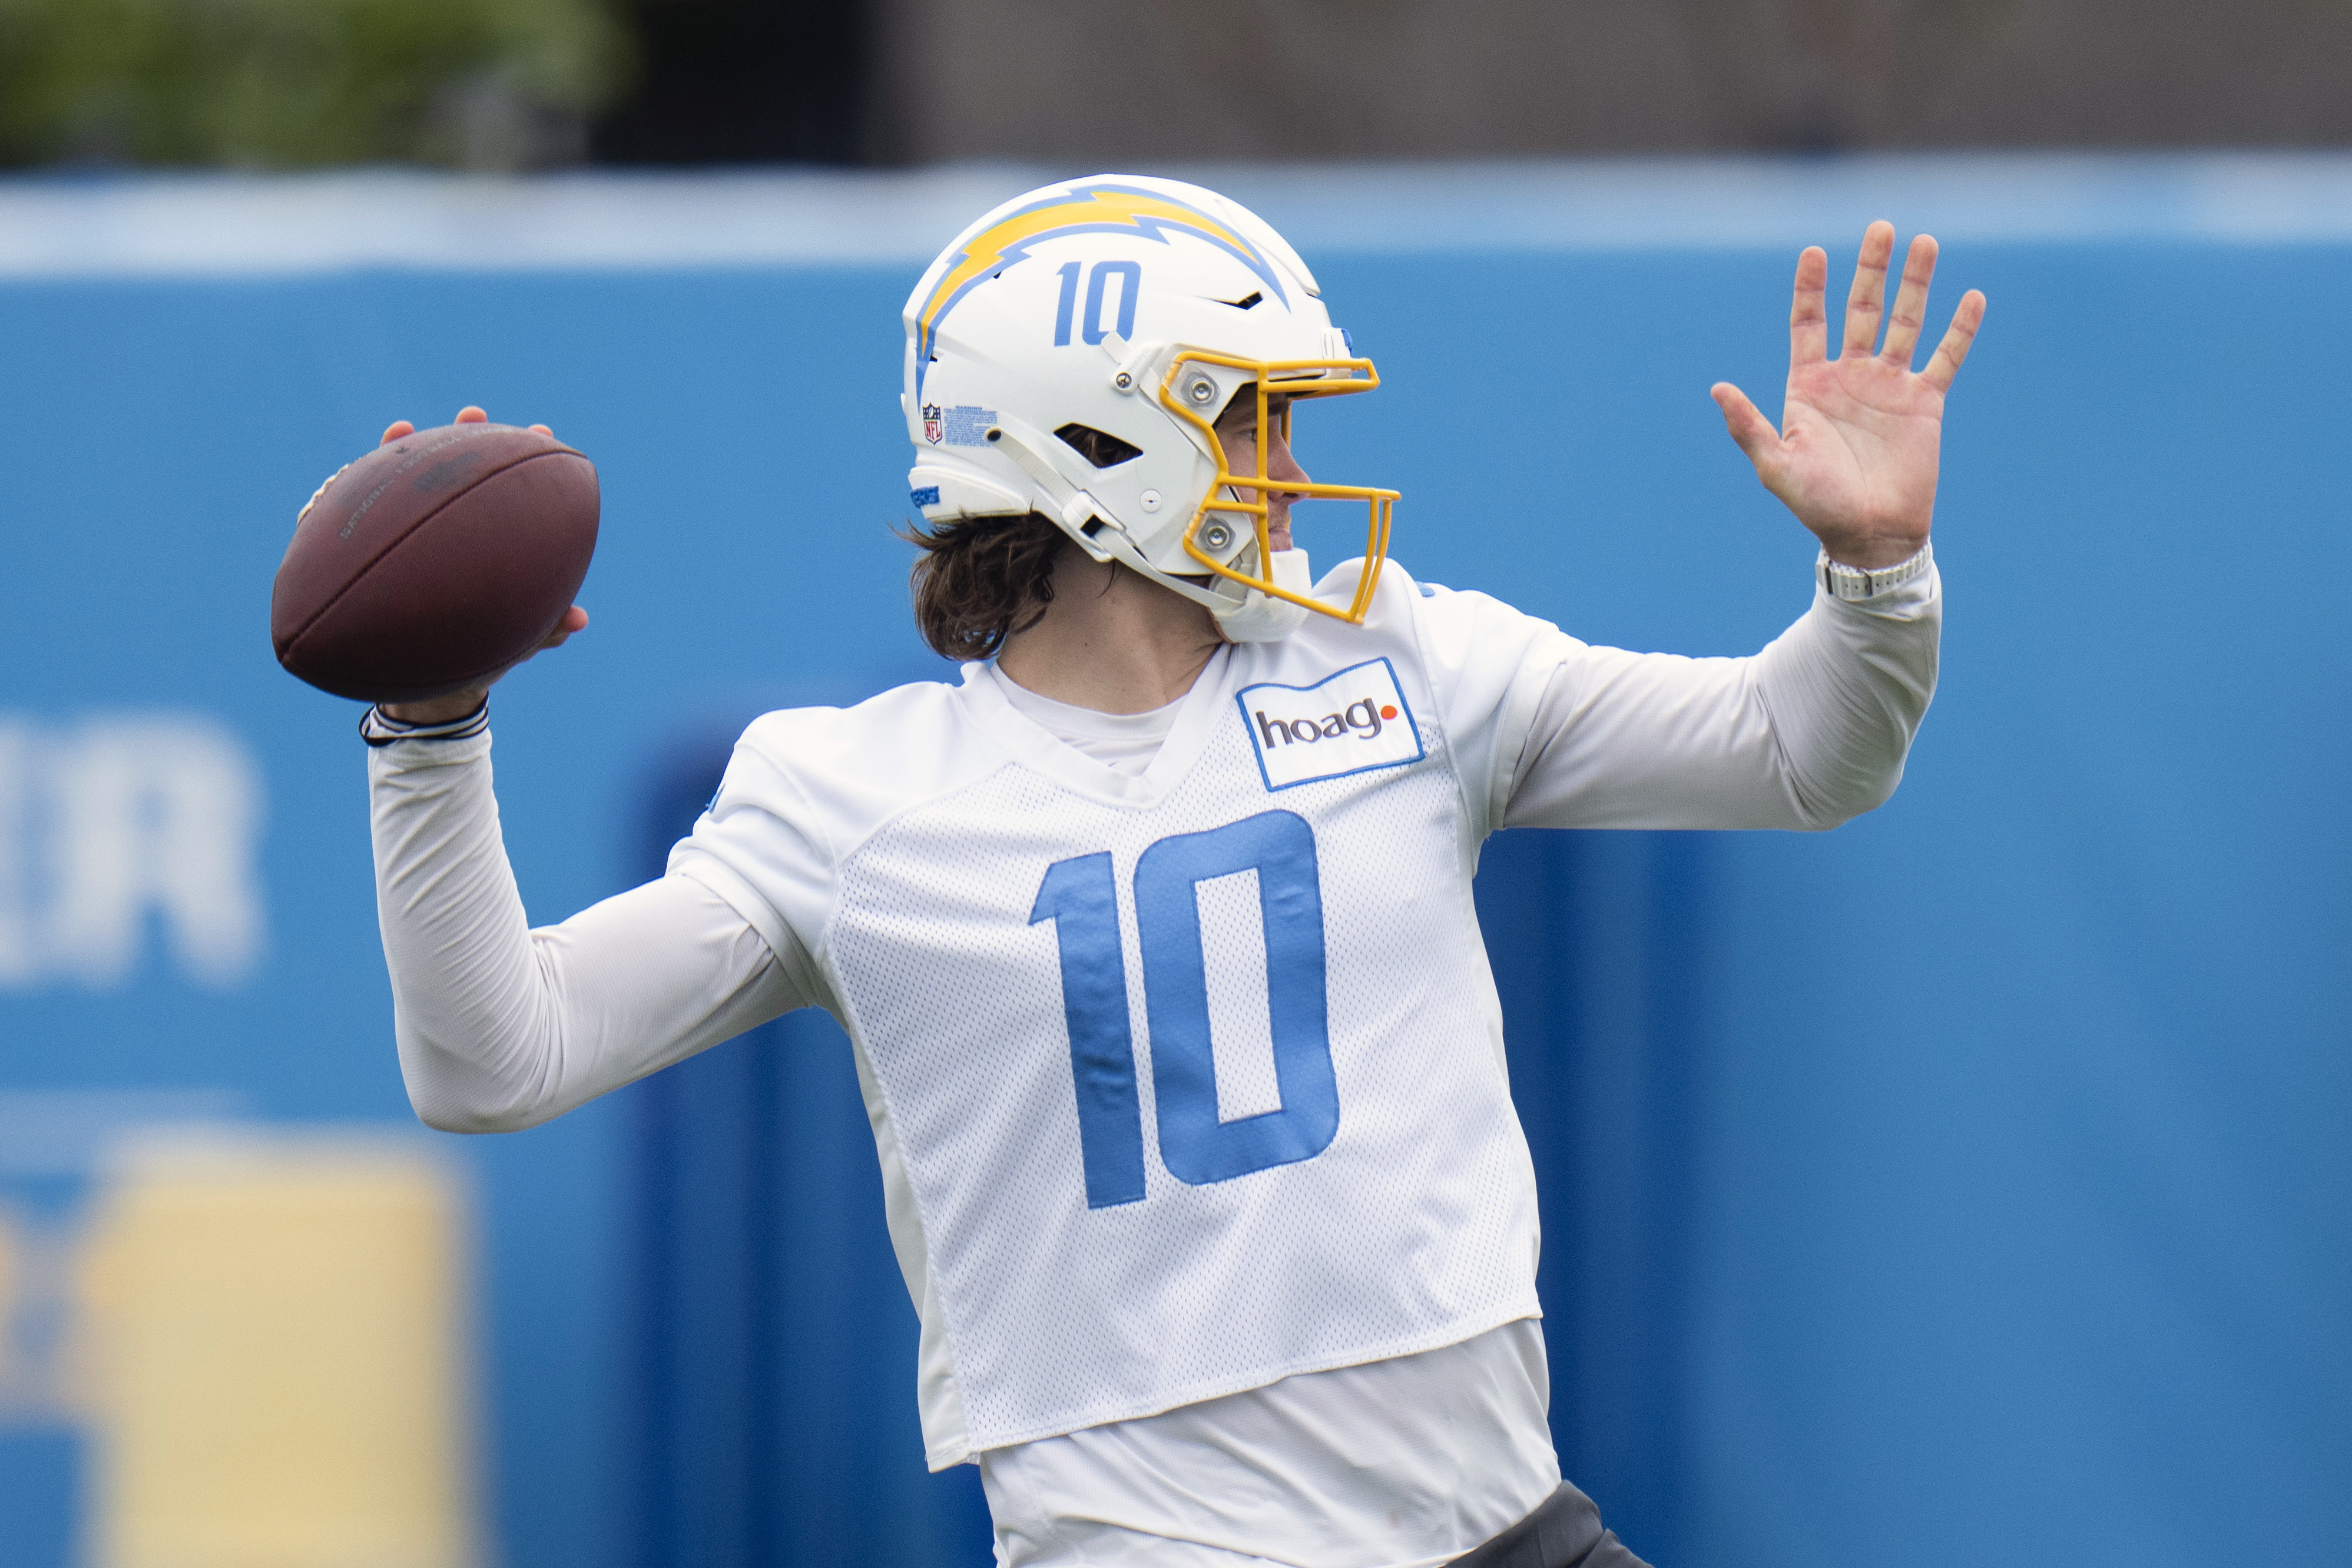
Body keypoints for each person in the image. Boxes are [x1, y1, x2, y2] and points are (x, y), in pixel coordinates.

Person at [362, 175, 1982, 1567]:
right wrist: (430, 732)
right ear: (1099, 434)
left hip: (1502, 1528)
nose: (1284, 460)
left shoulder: (1409, 659)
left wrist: (1871, 567)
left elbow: (1802, 755)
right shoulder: (848, 799)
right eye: (1245, 412)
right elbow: (497, 1058)